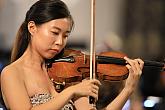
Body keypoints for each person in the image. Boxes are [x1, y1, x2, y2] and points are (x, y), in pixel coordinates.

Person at [0, 0, 144, 110]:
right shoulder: (12, 73)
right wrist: (70, 92)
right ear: (32, 28)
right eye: (55, 33)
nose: (60, 42)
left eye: (65, 35)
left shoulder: (67, 71)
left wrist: (128, 90)